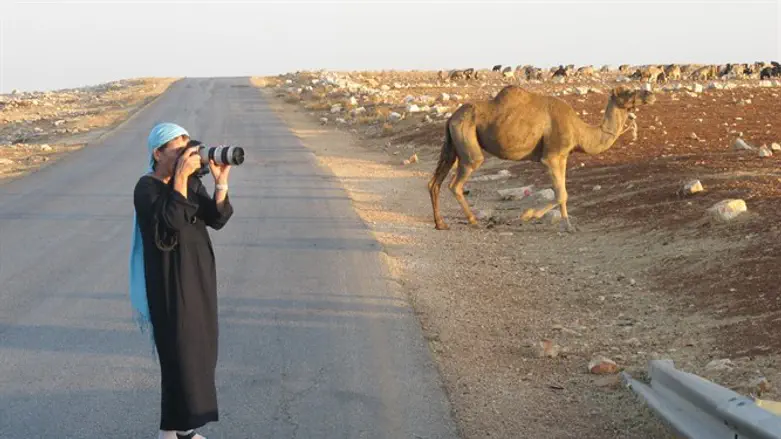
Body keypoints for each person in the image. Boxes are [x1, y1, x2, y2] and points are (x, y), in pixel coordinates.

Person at [129, 122, 234, 439]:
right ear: (157, 152)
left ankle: (176, 430)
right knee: (180, 356)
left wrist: (221, 183)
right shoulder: (145, 187)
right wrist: (179, 178)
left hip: (198, 277)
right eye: (177, 148)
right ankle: (176, 431)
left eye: (188, 147)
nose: (186, 154)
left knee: (200, 352)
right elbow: (171, 221)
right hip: (169, 283)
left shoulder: (190, 184)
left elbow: (217, 219)